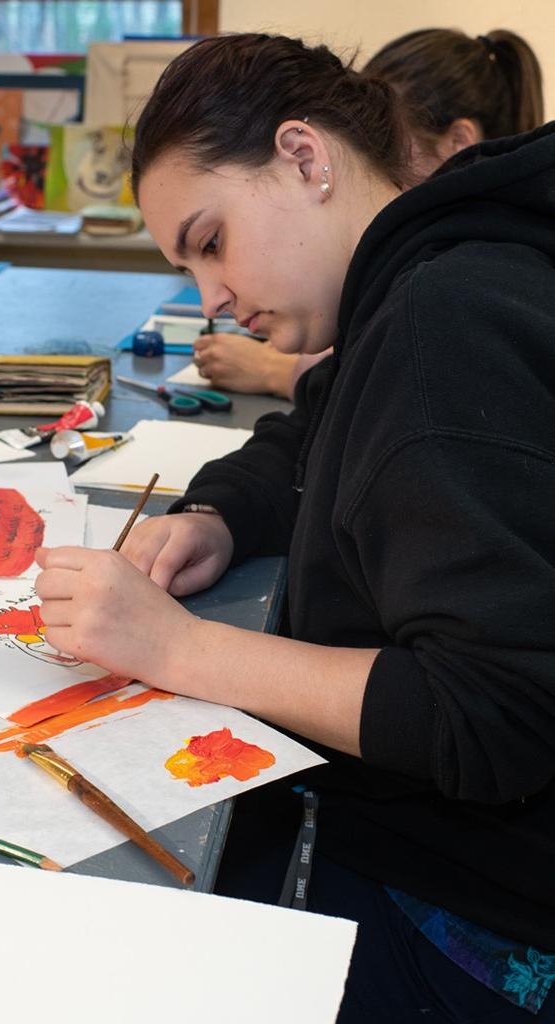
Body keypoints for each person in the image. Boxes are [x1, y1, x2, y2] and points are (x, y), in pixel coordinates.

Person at [35, 33, 555, 1021]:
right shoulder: (411, 278)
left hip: (483, 936)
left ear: (303, 159)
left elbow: (494, 716)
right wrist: (219, 514)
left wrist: (182, 648)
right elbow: (312, 428)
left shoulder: (445, 322)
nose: (211, 299)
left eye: (210, 240)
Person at [193, 27, 544, 399]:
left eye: (390, 143)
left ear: (458, 143)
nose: (372, 164)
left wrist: (273, 372)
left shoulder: (453, 298)